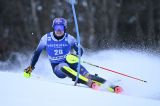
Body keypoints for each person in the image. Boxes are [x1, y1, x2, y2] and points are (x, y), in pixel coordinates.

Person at [24, 17, 122, 93]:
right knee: (63, 66)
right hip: (58, 67)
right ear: (53, 28)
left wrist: (76, 55)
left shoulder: (69, 38)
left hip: (71, 62)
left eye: (61, 27)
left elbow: (80, 51)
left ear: (65, 28)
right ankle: (88, 83)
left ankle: (113, 87)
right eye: (56, 27)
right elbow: (37, 53)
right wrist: (31, 67)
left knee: (88, 75)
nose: (58, 30)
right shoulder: (46, 38)